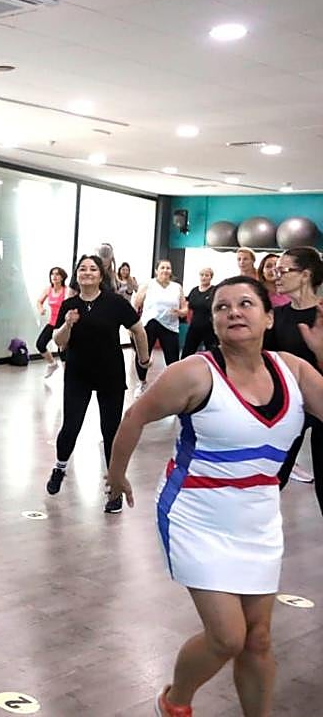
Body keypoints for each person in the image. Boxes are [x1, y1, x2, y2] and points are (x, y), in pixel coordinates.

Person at [106, 276, 323, 717]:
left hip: (259, 520)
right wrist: (117, 474)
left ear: (268, 316)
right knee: (228, 637)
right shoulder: (193, 373)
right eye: (223, 307)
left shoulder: (294, 371)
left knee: (258, 638)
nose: (234, 313)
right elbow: (134, 417)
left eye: (246, 304)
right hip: (196, 516)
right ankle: (175, 700)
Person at [45, 254, 149, 512]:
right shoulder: (70, 304)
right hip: (78, 374)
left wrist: (143, 359)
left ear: (101, 276)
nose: (87, 272)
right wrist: (68, 324)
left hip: (110, 375)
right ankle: (59, 468)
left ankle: (114, 490)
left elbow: (138, 329)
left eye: (93, 269)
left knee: (110, 431)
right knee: (70, 426)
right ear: (77, 275)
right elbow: (59, 341)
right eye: (83, 269)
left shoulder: (114, 302)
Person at [267, 246, 323, 499]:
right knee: (271, 479)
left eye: (282, 270)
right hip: (287, 406)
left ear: (305, 275)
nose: (276, 275)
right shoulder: (276, 317)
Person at [133, 260, 188, 394]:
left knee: (173, 358)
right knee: (143, 356)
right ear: (157, 270)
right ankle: (141, 383)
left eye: (168, 268)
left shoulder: (177, 287)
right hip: (149, 323)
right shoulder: (148, 284)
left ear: (171, 271)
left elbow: (184, 307)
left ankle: (173, 385)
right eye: (162, 267)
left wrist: (181, 312)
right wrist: (133, 325)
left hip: (169, 325)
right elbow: (136, 303)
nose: (165, 270)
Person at [35, 266, 73, 378]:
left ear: (62, 277)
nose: (54, 277)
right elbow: (39, 301)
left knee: (62, 351)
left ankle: (68, 376)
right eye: (52, 274)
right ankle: (52, 363)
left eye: (57, 274)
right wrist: (41, 309)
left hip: (62, 325)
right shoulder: (48, 290)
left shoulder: (66, 291)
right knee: (40, 344)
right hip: (52, 323)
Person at [181, 267, 217, 359]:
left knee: (214, 354)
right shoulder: (194, 291)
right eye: (202, 275)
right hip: (194, 326)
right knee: (186, 353)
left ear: (211, 277)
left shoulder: (214, 290)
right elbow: (187, 305)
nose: (204, 277)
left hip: (209, 328)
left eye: (206, 275)